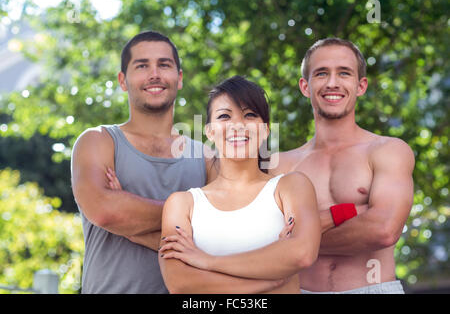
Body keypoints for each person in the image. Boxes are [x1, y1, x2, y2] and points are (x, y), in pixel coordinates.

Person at [70, 31, 212, 293]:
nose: (154, 74)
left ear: (179, 78)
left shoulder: (206, 157)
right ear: (123, 80)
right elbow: (104, 211)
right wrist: (192, 217)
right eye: (142, 65)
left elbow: (217, 238)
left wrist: (128, 219)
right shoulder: (98, 141)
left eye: (164, 65)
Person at [270, 38, 415, 294]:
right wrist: (353, 213)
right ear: (305, 86)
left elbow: (383, 230)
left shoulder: (388, 150)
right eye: (321, 73)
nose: (332, 83)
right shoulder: (281, 165)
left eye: (344, 73)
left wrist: (296, 241)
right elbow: (260, 236)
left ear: (361, 86)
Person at [157, 75, 322, 293]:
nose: (237, 125)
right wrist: (271, 277)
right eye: (225, 116)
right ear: (209, 131)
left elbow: (301, 253)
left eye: (250, 115)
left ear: (265, 129)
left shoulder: (290, 187)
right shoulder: (182, 204)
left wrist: (207, 261)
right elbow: (181, 283)